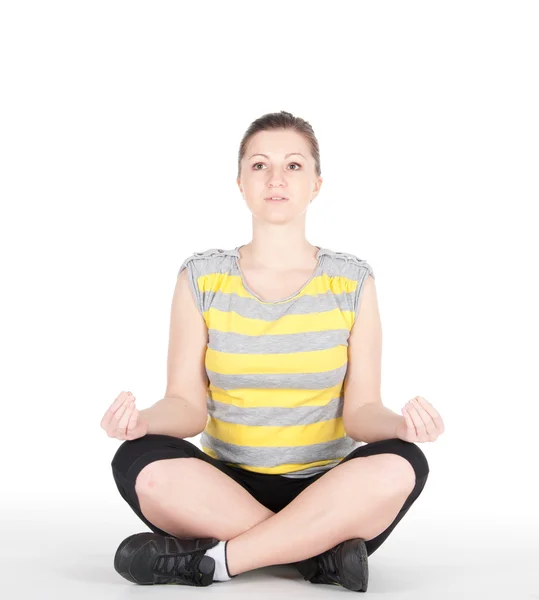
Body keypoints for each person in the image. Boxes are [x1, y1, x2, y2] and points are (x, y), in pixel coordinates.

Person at [102, 110, 445, 592]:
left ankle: (214, 563)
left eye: (294, 166)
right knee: (139, 462)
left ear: (317, 184)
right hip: (224, 487)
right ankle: (316, 555)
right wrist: (144, 423)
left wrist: (401, 427)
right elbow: (185, 407)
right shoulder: (201, 276)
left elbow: (362, 412)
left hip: (328, 489)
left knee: (401, 463)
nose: (276, 178)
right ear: (241, 183)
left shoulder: (352, 280)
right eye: (260, 166)